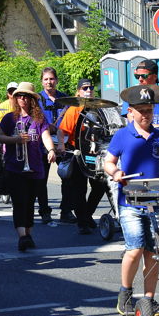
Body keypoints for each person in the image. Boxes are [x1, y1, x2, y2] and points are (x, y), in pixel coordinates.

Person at [104, 84, 159, 316]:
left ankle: (149, 301)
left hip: (155, 200)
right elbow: (108, 162)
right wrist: (115, 173)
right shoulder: (122, 135)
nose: (146, 114)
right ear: (131, 112)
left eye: (149, 109)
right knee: (135, 249)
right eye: (141, 110)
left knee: (153, 251)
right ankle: (125, 295)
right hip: (129, 201)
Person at [0, 82, 55, 250]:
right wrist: (15, 140)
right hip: (15, 167)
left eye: (26, 96)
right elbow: (0, 136)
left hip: (35, 167)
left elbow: (45, 136)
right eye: (19, 96)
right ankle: (22, 236)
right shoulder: (9, 118)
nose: (22, 99)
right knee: (19, 203)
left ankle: (28, 234)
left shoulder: (39, 118)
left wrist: (51, 149)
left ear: (31, 100)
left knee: (30, 203)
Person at [57, 79, 109, 234]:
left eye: (91, 87)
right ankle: (82, 222)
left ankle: (86, 214)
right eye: (85, 88)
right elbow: (62, 131)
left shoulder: (98, 109)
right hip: (78, 152)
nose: (88, 90)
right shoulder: (74, 109)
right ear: (78, 91)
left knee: (100, 187)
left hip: (95, 153)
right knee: (79, 189)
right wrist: (61, 144)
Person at [37, 67, 70, 224]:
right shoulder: (36, 99)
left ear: (56, 80)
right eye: (46, 79)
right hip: (43, 143)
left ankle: (66, 210)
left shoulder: (65, 98)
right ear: (42, 81)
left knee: (67, 176)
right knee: (42, 179)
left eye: (51, 79)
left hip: (62, 142)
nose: (49, 82)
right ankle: (44, 211)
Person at [120, 60, 159, 125]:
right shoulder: (130, 94)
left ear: (155, 76)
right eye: (137, 76)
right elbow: (134, 124)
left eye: (144, 76)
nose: (140, 79)